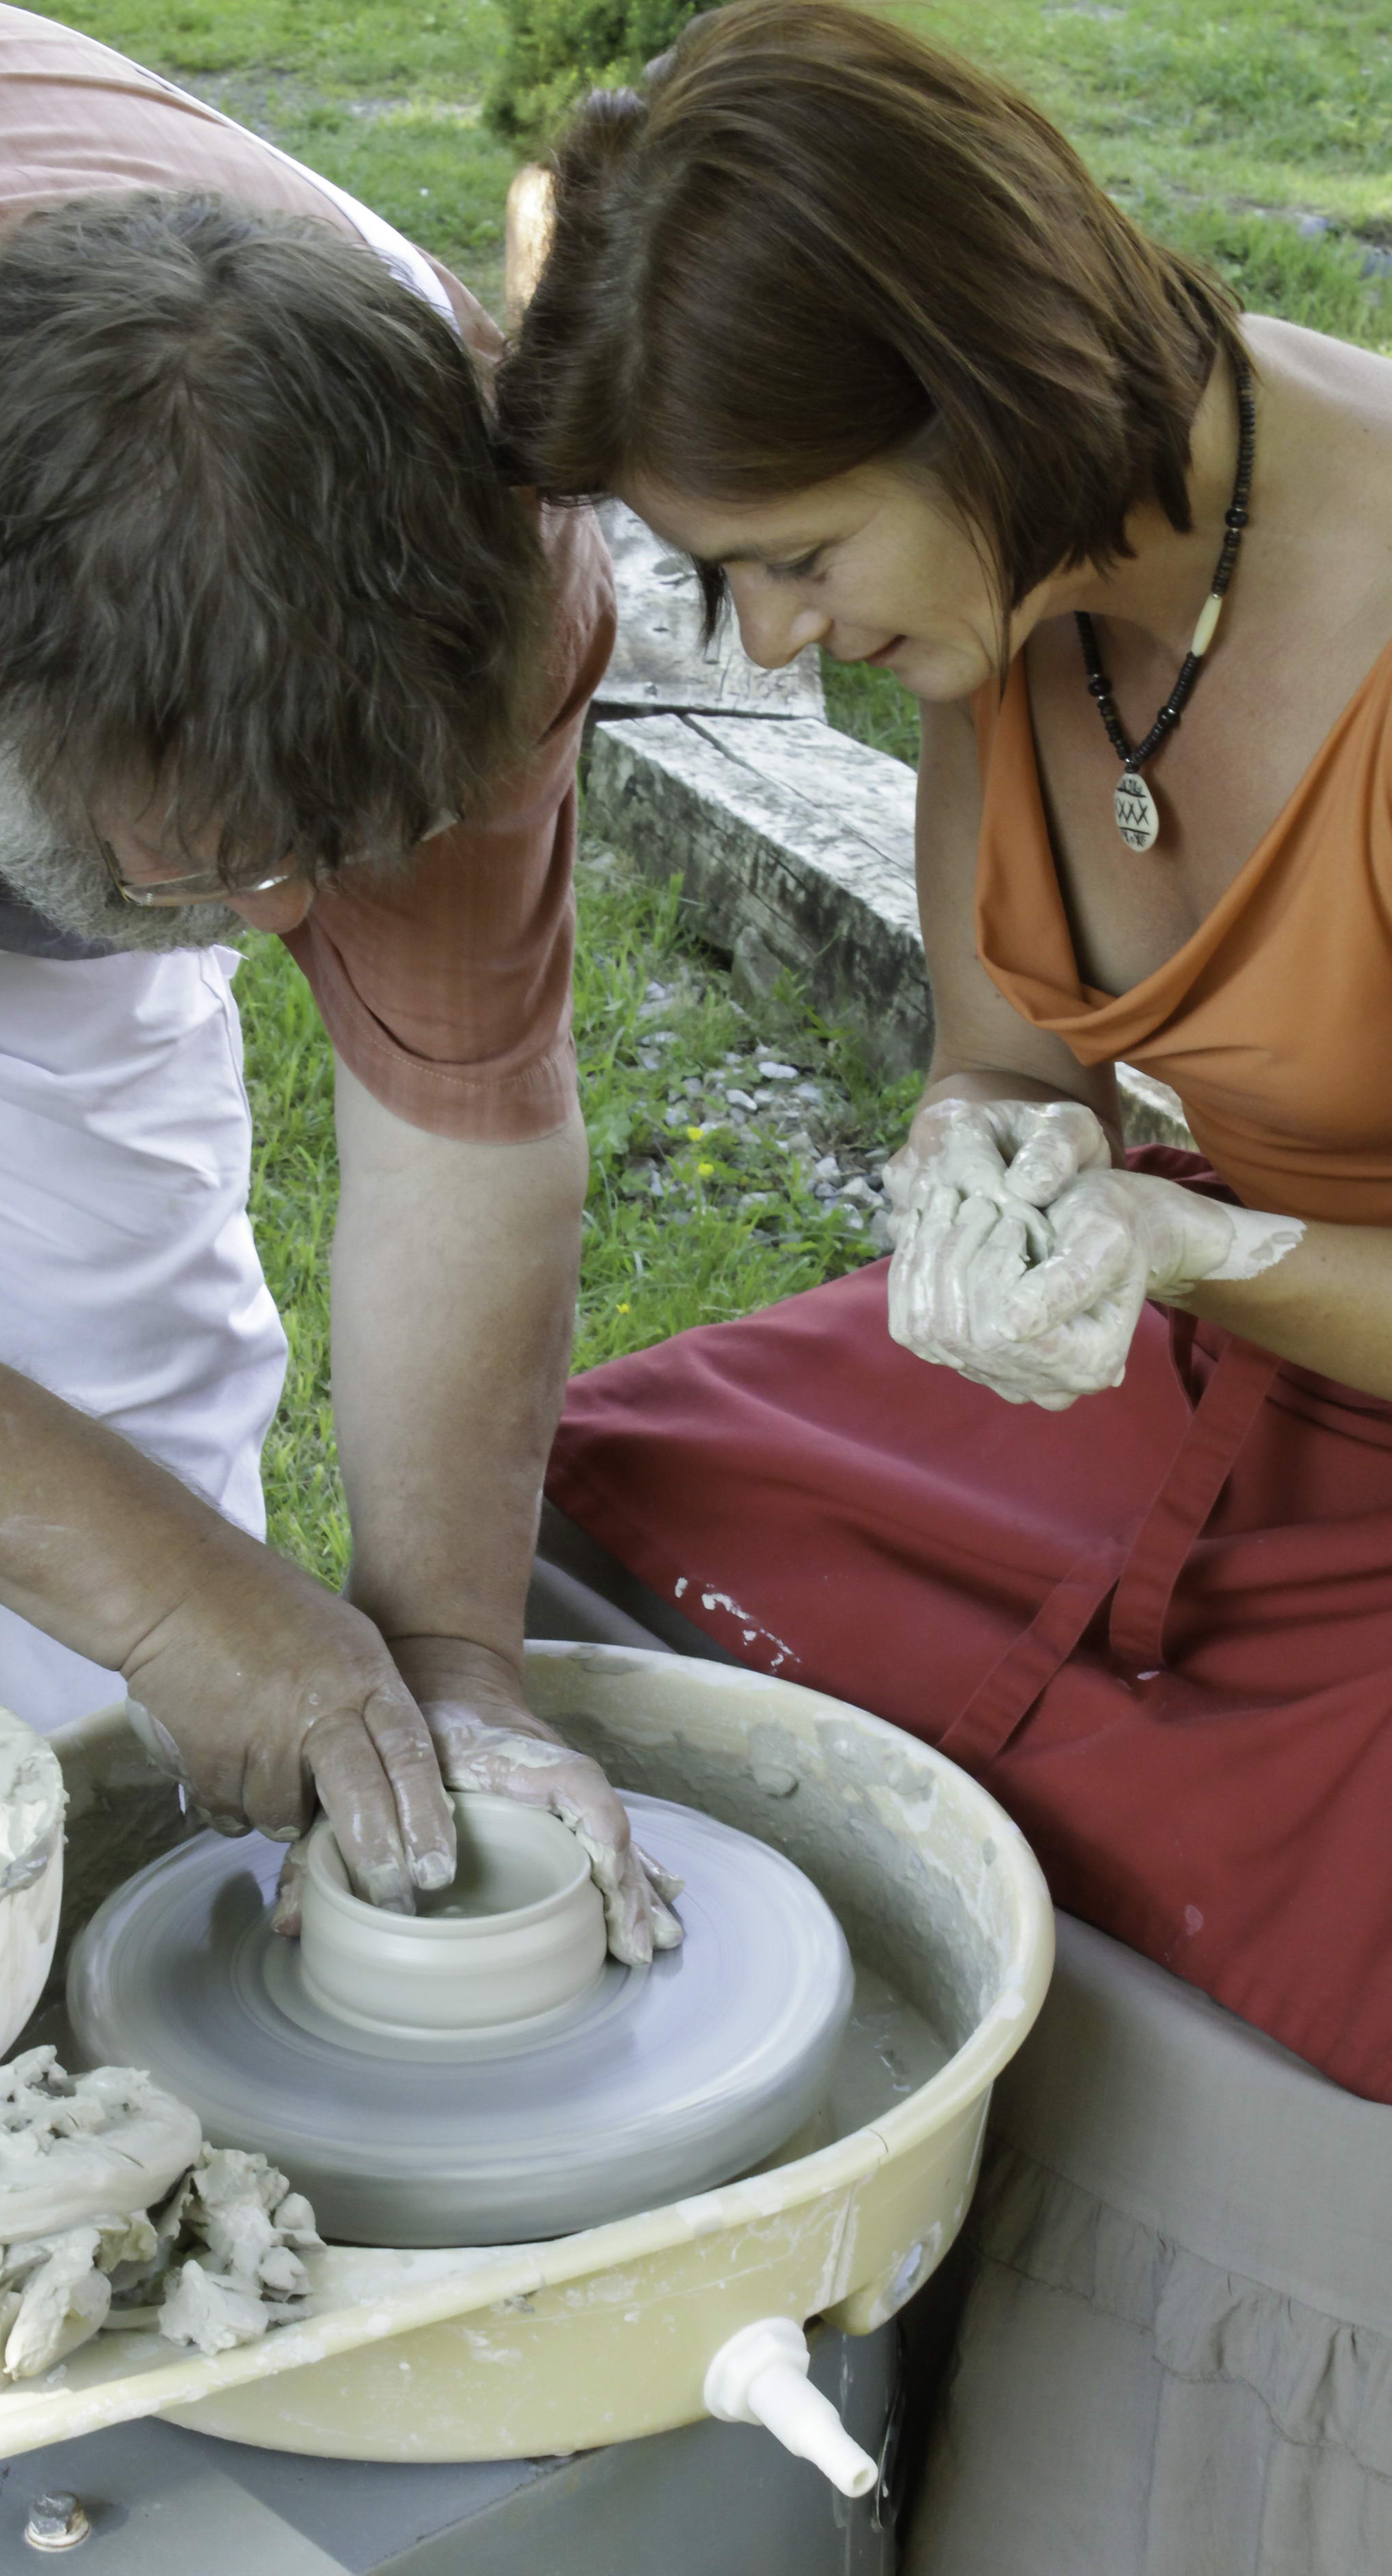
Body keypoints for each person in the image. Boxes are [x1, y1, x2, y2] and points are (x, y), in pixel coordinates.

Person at [502, 1, 1392, 2562]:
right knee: (597, 1527)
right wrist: (984, 1152)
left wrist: (1204, 1239)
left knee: (1310, 1965)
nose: (768, 642)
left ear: (985, 401)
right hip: (1195, 1341)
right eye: (721, 573)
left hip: (1327, 1356)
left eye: (794, 557)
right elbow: (1011, 1039)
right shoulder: (1037, 577)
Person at [0, 0, 682, 1964]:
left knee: (112, 1449)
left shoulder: (478, 552)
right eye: (216, 867)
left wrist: (452, 1662)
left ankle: (48, 1976)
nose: (278, 914)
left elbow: (465, 1117)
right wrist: (176, 1599)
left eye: (321, 856)